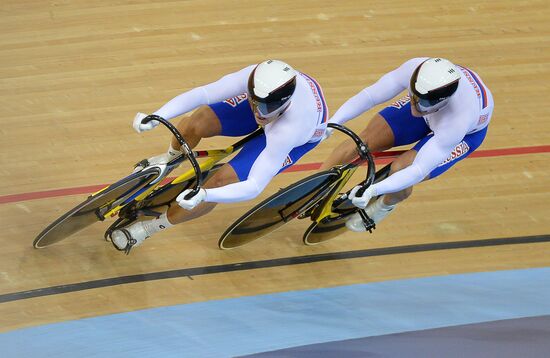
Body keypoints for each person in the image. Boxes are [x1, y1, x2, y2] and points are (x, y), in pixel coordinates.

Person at [110, 60, 328, 252]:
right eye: (254, 102)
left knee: (220, 182)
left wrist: (205, 195)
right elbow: (203, 94)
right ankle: (169, 159)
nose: (257, 111)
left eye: (263, 107)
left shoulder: (289, 130)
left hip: (296, 136)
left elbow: (254, 186)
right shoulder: (254, 80)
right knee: (198, 122)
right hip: (275, 107)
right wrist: (157, 115)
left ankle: (147, 229)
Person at [320, 57, 493, 231]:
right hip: (432, 113)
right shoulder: (415, 70)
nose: (414, 104)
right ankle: (315, 191)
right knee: (362, 142)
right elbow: (370, 96)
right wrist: (335, 120)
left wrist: (374, 190)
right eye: (413, 95)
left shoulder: (457, 121)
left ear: (441, 101)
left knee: (401, 169)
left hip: (465, 133)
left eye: (421, 101)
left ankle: (384, 206)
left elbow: (417, 171)